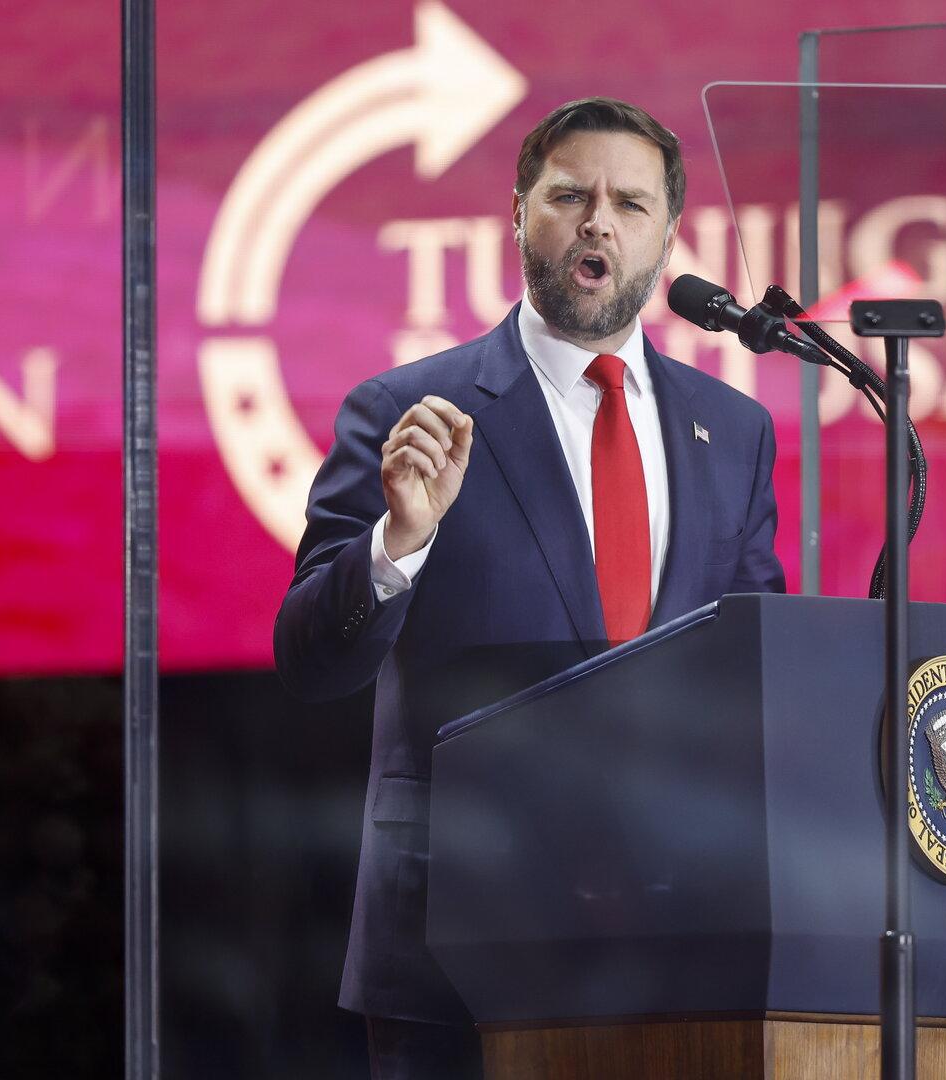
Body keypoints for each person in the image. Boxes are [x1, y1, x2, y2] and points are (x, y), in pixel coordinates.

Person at [274, 97, 785, 1080]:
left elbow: (754, 664)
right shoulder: (406, 410)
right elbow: (310, 660)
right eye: (570, 196)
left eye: (630, 203)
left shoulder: (734, 431)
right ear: (517, 215)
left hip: (678, 953)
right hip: (461, 946)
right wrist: (400, 540)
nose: (599, 220)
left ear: (669, 236)